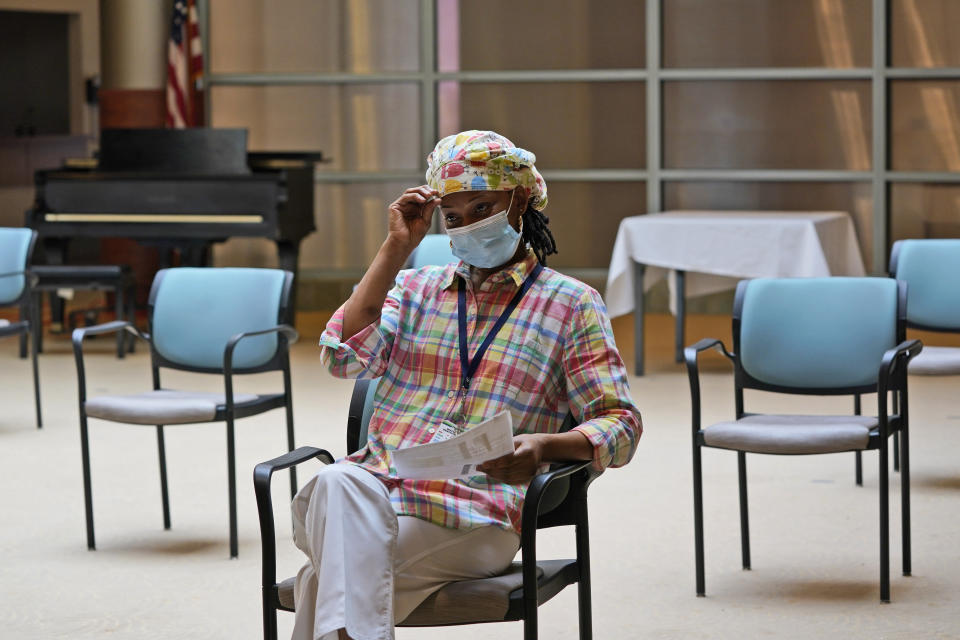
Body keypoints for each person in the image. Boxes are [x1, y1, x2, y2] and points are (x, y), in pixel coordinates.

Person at [291, 130, 642, 640]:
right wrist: (395, 248)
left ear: (520, 200)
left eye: (483, 207)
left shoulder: (571, 304)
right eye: (453, 217)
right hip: (375, 494)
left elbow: (621, 423)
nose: (468, 225)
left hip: (477, 513)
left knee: (321, 579)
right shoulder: (413, 288)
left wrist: (545, 445)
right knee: (336, 480)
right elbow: (342, 358)